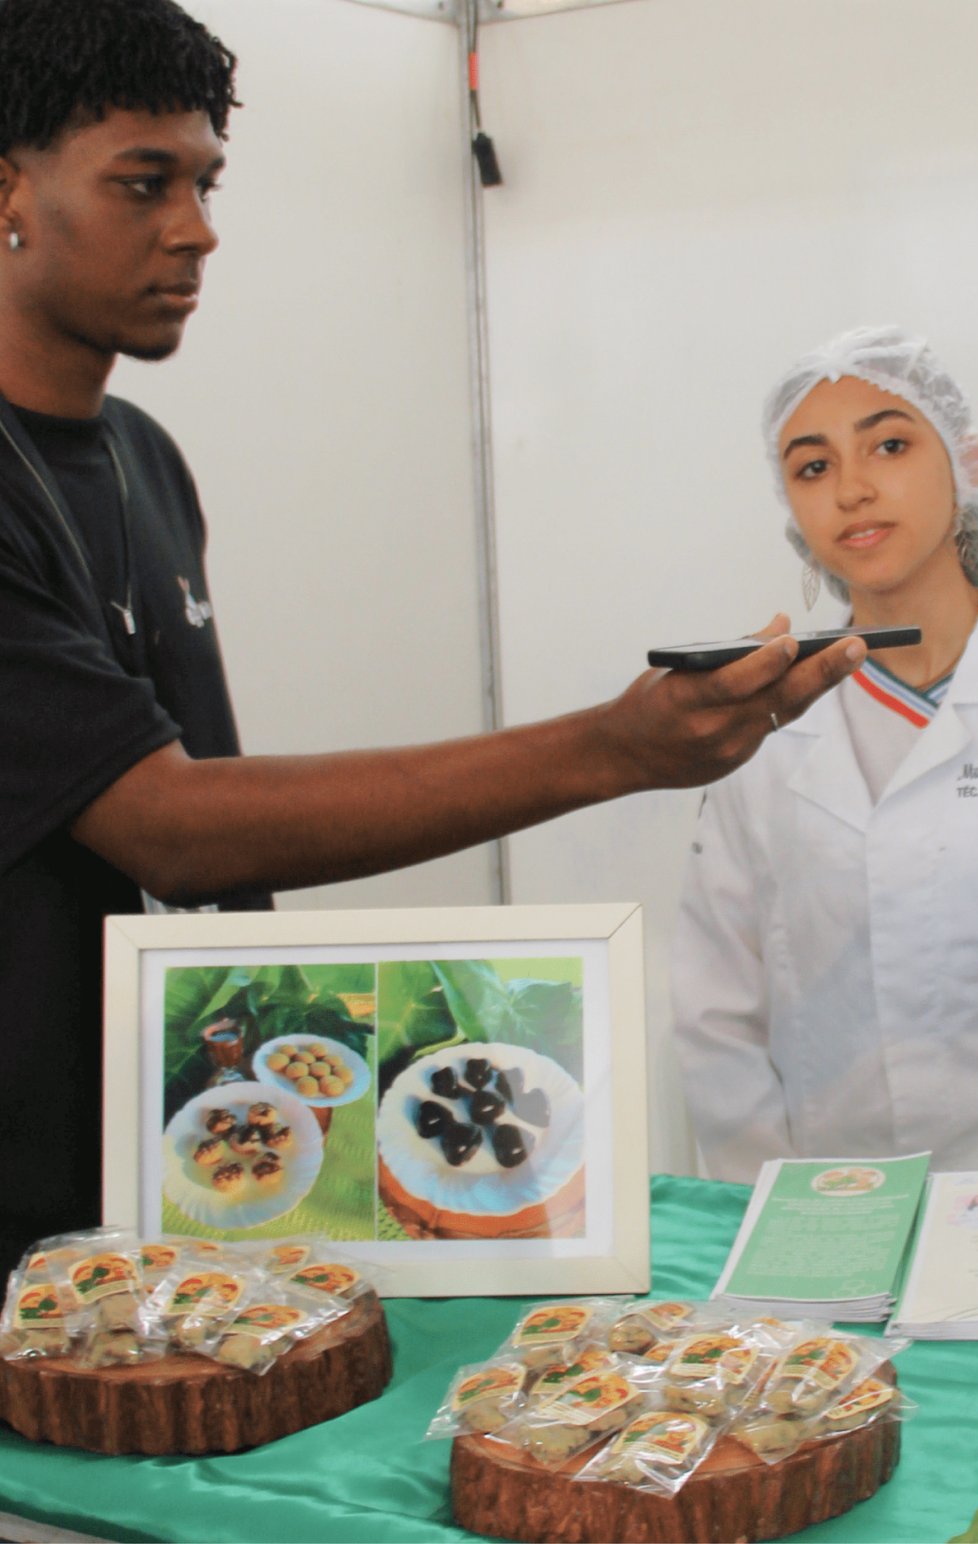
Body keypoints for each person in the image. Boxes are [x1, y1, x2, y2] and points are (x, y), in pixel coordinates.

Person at [0, 0, 862, 1271]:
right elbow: (166, 824)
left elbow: (217, 875)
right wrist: (613, 750)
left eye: (204, 180)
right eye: (144, 184)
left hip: (173, 1187)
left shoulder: (143, 461)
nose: (196, 228)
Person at [672, 325, 978, 1181]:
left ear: (965, 460)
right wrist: (776, 1210)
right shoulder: (762, 724)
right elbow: (718, 1011)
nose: (852, 490)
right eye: (812, 467)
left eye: (888, 445)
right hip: (836, 1220)